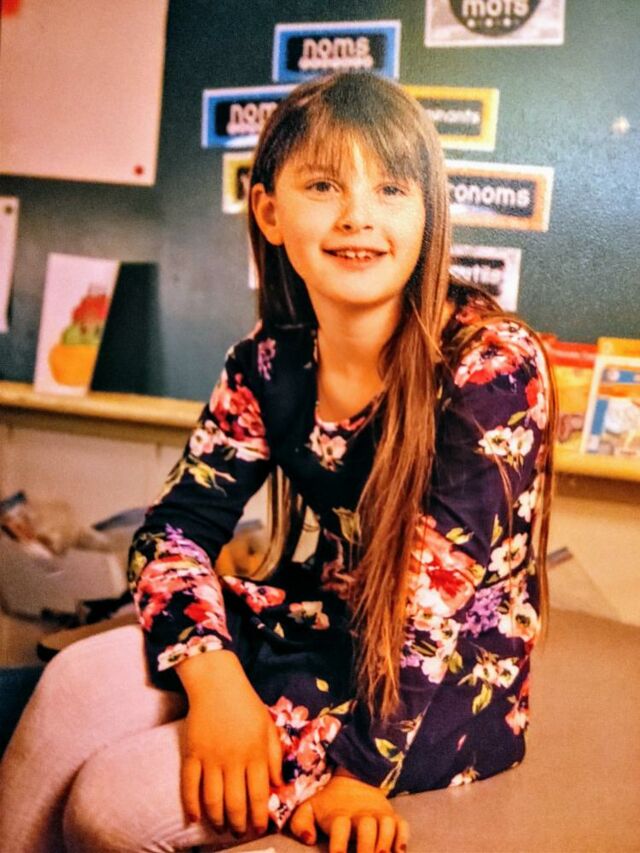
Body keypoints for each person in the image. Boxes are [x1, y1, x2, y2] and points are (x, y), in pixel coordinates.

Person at [0, 71, 555, 853]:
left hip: (435, 691)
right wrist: (213, 678)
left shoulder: (492, 365)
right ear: (269, 210)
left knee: (108, 805)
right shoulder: (268, 362)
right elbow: (173, 532)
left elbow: (428, 612)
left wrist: (354, 775)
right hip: (318, 632)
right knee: (71, 685)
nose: (357, 215)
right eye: (323, 185)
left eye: (391, 188)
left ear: (428, 213)